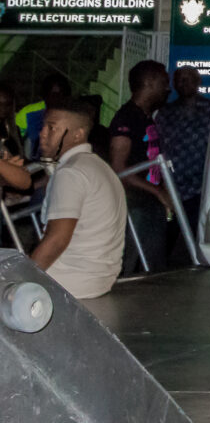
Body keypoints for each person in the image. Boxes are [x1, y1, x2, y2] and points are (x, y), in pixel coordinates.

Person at [28, 99, 127, 299]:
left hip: (68, 282)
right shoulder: (99, 166)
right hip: (98, 280)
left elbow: (57, 240)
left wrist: (23, 278)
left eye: (52, 128)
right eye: (43, 127)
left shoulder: (71, 173)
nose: (43, 134)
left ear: (78, 134)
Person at [108, 60, 171, 271]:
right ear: (149, 82)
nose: (167, 88)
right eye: (164, 82)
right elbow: (118, 168)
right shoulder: (126, 118)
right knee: (132, 265)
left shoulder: (146, 118)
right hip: (134, 204)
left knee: (152, 265)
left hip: (148, 202)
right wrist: (157, 191)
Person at [154, 65, 210, 243]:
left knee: (200, 240)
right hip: (171, 188)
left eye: (188, 79)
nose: (184, 83)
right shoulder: (165, 113)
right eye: (180, 80)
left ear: (198, 81)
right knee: (165, 240)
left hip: (201, 188)